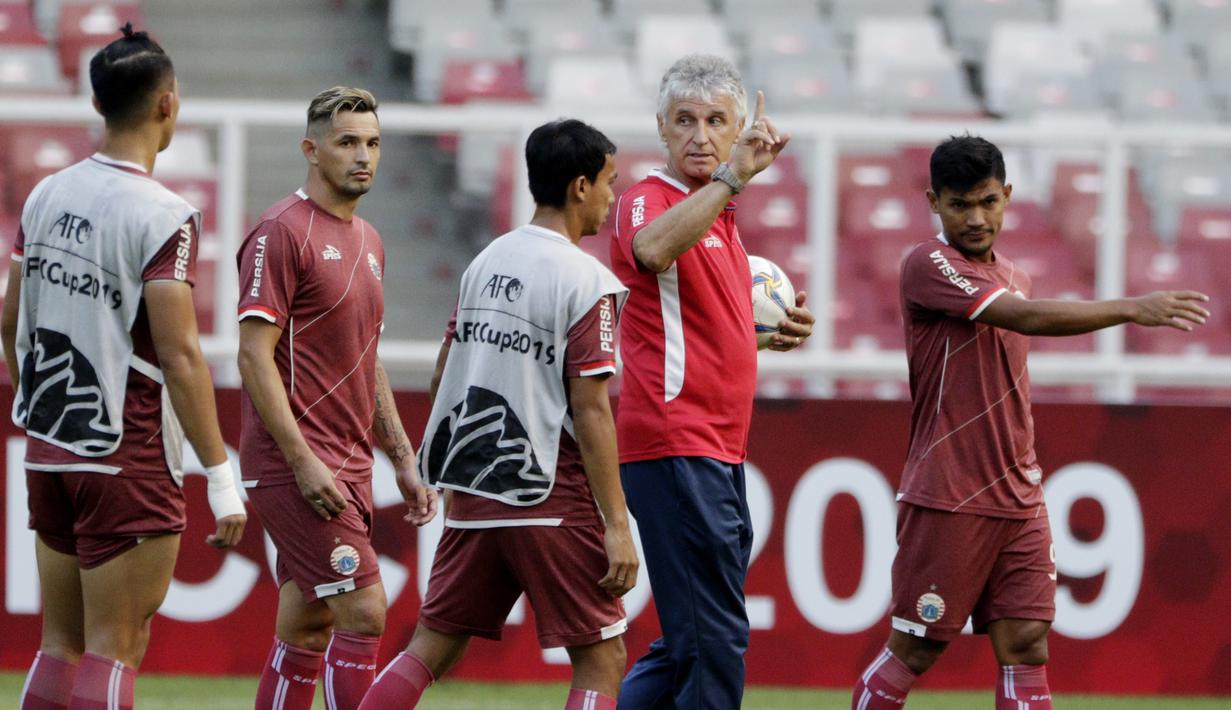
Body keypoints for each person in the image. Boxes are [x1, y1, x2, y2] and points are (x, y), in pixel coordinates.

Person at [851, 135, 1210, 709]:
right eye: (960, 203)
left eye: (988, 202)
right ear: (933, 202)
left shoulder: (1015, 273)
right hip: (951, 493)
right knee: (914, 649)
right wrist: (1131, 307)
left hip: (1019, 493)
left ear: (1008, 196)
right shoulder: (929, 264)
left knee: (1026, 642)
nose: (975, 217)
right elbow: (1026, 317)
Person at [1, 24, 247, 710]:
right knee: (116, 647)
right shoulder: (164, 213)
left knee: (60, 646)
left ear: (98, 101)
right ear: (167, 105)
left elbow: (8, 319)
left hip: (49, 450)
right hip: (123, 451)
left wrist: (40, 403)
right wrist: (220, 475)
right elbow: (179, 352)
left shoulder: (45, 194)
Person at [359, 118, 639, 710]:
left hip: (475, 487)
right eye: (611, 183)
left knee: (433, 646)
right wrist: (617, 524)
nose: (614, 198)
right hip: (549, 493)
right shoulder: (589, 282)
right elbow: (590, 410)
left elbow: (444, 372)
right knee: (601, 659)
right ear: (581, 186)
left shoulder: (485, 262)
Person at [609, 53, 814, 710]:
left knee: (691, 639)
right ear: (661, 129)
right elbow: (650, 251)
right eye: (685, 121)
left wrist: (769, 332)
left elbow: (698, 321)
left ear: (735, 128)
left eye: (715, 121)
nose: (699, 135)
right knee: (715, 638)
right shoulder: (646, 199)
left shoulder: (720, 218)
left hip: (716, 448)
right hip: (675, 442)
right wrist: (732, 176)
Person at [236, 86, 437, 710]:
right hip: (296, 460)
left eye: (373, 143)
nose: (363, 156)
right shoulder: (280, 231)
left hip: (350, 461)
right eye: (348, 142)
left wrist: (400, 456)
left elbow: (366, 356)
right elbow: (252, 354)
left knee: (307, 625)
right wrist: (300, 459)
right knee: (365, 611)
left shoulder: (370, 240)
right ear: (311, 149)